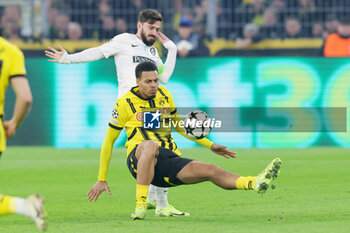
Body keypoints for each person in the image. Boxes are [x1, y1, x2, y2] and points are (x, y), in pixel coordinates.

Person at [87, 61, 282, 220]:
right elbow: (108, 141)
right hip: (138, 159)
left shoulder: (165, 95)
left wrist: (211, 144)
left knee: (212, 170)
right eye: (148, 81)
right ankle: (140, 205)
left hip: (167, 161)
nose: (154, 85)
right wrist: (101, 178)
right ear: (138, 81)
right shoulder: (124, 104)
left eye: (155, 80)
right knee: (150, 145)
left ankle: (253, 182)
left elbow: (178, 126)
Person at [44, 9, 182, 216]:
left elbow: (164, 78)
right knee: (157, 146)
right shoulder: (124, 41)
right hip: (130, 106)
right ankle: (157, 202)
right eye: (151, 28)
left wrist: (172, 50)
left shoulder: (153, 53)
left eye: (158, 29)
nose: (154, 33)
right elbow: (98, 52)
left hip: (150, 105)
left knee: (164, 146)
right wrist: (68, 59)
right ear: (139, 26)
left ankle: (158, 202)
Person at [0, 36, 46, 230]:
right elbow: (26, 97)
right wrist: (14, 123)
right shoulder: (10, 51)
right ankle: (26, 206)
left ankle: (26, 206)